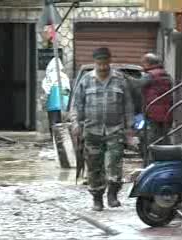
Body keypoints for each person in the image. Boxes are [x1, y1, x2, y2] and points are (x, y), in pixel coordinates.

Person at [71, 47, 135, 211]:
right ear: (95, 63)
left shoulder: (120, 80)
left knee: (114, 163)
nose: (102, 67)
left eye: (105, 63)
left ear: (109, 61)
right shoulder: (86, 80)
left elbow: (128, 105)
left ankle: (112, 194)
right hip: (92, 130)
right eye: (99, 63)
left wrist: (129, 129)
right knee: (94, 166)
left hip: (115, 130)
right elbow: (76, 105)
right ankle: (97, 198)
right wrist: (76, 124)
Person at [42, 57, 71, 137]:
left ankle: (54, 137)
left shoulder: (49, 76)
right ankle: (63, 138)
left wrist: (45, 97)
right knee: (62, 122)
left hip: (52, 103)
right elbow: (68, 90)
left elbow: (46, 88)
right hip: (63, 103)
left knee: (53, 122)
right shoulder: (64, 76)